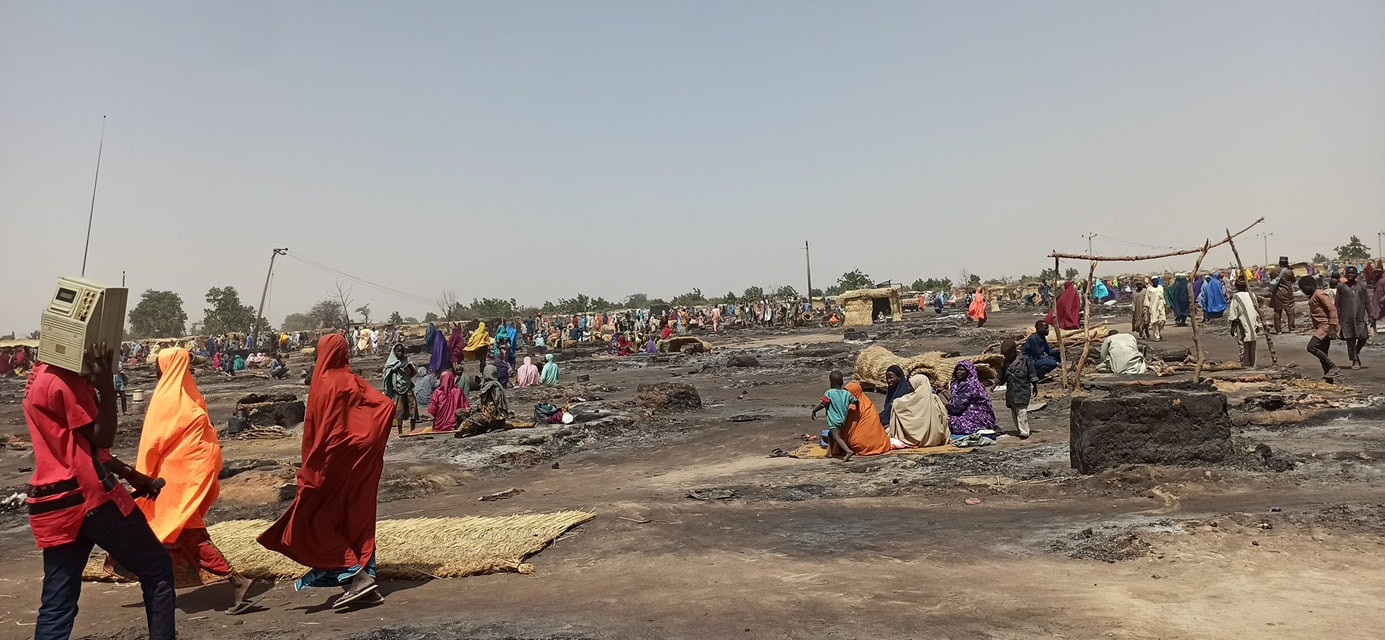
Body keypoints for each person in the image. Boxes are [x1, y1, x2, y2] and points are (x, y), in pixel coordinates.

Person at [24, 343, 175, 640]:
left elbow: (81, 446)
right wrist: (106, 389)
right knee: (157, 571)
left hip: (53, 504)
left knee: (57, 603)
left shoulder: (38, 376)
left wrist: (133, 475)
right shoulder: (65, 380)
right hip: (91, 498)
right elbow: (102, 437)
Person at [258, 334, 392, 609]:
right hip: (359, 462)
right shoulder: (352, 380)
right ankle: (366, 579)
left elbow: (319, 431)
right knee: (355, 514)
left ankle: (355, 576)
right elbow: (386, 406)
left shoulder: (325, 383)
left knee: (316, 518)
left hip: (331, 462)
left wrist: (311, 467)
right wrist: (366, 443)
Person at [129, 348, 254, 613]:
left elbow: (152, 443)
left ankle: (236, 580)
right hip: (195, 471)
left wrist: (141, 477)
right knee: (180, 527)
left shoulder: (166, 399)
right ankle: (170, 581)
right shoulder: (192, 395)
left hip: (175, 477)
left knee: (182, 528)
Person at [885, 374, 949, 447]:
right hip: (934, 439)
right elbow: (943, 419)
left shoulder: (906, 399)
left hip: (911, 439)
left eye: (911, 385)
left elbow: (896, 405)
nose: (909, 388)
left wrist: (895, 403)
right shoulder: (935, 399)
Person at [810, 371, 858, 460]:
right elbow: (855, 400)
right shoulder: (846, 393)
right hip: (842, 419)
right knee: (830, 435)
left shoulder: (829, 393)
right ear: (842, 382)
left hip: (834, 420)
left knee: (836, 437)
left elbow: (823, 403)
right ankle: (830, 453)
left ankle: (848, 451)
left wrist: (814, 410)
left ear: (831, 382)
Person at [1300, 276, 1340, 381]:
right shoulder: (1313, 296)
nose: (1302, 291)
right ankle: (1329, 379)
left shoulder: (1319, 294)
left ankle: (1333, 366)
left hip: (1326, 326)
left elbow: (1332, 309)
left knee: (1311, 347)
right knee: (1323, 352)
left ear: (1309, 285)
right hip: (1321, 327)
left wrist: (1332, 327)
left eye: (1303, 288)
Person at [840, 382, 893, 457]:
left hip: (860, 444)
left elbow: (847, 429)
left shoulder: (852, 406)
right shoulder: (868, 404)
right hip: (880, 443)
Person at [945, 361, 997, 436]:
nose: (958, 372)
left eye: (962, 370)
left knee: (945, 420)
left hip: (977, 419)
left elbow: (957, 408)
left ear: (969, 372)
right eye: (957, 370)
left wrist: (942, 406)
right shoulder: (958, 384)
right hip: (983, 418)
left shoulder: (968, 385)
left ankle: (976, 429)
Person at [1335, 266, 1370, 369]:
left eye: (1352, 273)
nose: (1350, 275)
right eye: (1348, 273)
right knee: (1350, 339)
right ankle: (1354, 361)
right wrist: (1337, 318)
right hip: (1346, 317)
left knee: (1363, 337)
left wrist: (1371, 315)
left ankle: (1356, 352)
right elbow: (1337, 304)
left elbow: (1367, 302)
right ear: (1346, 274)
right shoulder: (1341, 287)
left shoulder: (1361, 286)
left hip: (1359, 316)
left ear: (1356, 274)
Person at [1001, 341, 1038, 439]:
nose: (1006, 357)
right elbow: (1002, 374)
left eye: (1007, 355)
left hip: (1022, 390)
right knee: (1014, 411)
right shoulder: (1006, 362)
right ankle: (1019, 429)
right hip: (1011, 391)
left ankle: (1024, 431)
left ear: (1013, 352)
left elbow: (1031, 373)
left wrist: (1034, 385)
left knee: (1021, 411)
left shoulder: (1025, 360)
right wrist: (996, 382)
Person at [1227, 277, 1264, 368]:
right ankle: (1252, 363)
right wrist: (1258, 323)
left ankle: (1245, 363)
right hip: (1252, 322)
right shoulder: (1252, 295)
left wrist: (1233, 327)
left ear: (1236, 286)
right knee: (1252, 342)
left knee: (1242, 343)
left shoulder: (1236, 296)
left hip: (1241, 322)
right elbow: (1256, 310)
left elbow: (1234, 313)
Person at [381, 344, 416, 435]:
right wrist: (393, 369)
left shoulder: (407, 360)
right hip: (397, 388)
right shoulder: (391, 361)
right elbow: (385, 372)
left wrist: (409, 368)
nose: (400, 353)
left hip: (408, 386)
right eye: (398, 351)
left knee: (412, 406)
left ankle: (413, 429)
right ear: (394, 351)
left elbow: (413, 370)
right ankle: (400, 431)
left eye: (402, 351)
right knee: (399, 410)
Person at [1269, 262, 1298, 334]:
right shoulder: (1289, 271)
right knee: (1290, 312)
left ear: (1279, 263)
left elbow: (1272, 279)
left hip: (1276, 294)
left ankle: (1278, 330)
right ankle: (1291, 329)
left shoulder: (1273, 271)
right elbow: (1293, 280)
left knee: (1277, 312)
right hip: (1287, 293)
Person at [1145, 277, 1167, 341]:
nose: (1155, 282)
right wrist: (1147, 308)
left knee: (1163, 320)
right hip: (1153, 307)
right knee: (1154, 322)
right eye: (1154, 280)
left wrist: (1164, 305)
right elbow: (1147, 299)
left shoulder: (1160, 287)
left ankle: (1158, 332)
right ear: (1152, 281)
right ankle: (1156, 336)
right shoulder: (1149, 289)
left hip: (1161, 306)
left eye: (1156, 280)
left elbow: (1162, 297)